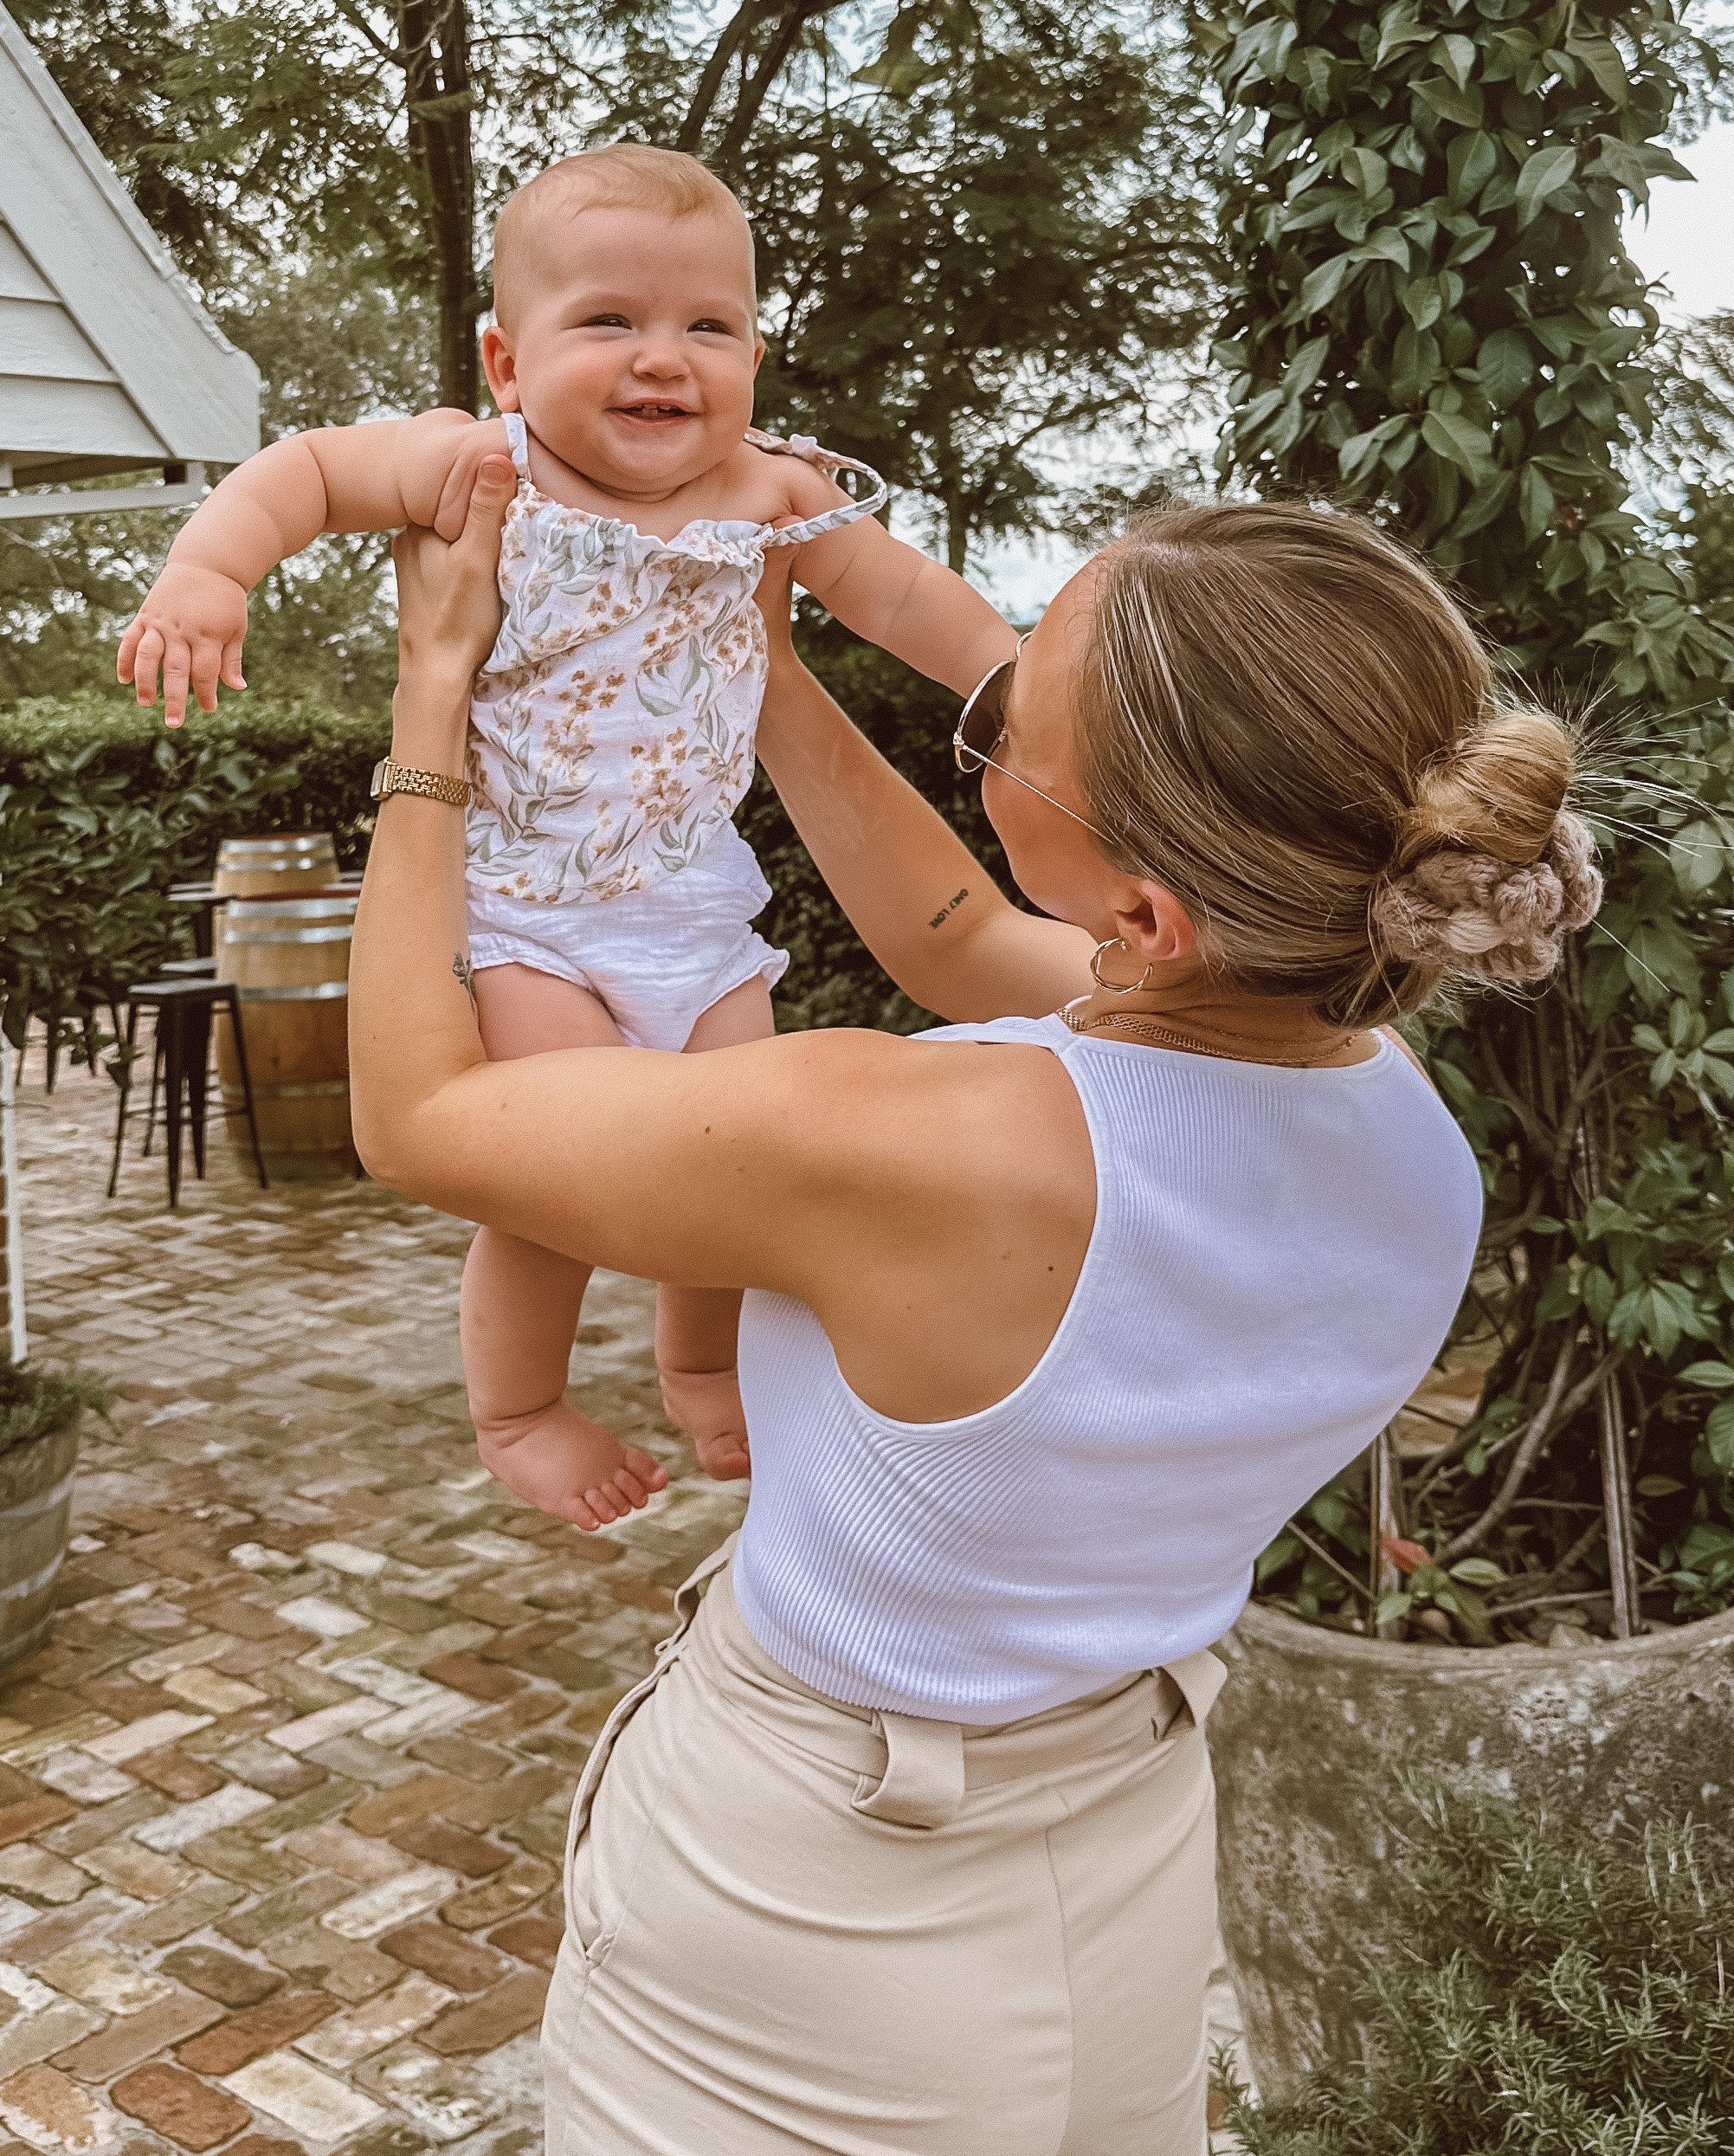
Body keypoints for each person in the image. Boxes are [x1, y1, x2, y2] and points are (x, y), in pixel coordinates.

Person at [349, 457, 1602, 2154]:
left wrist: (432, 697)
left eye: (1008, 734)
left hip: (817, 1908)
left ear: (1149, 916)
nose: (986, 731)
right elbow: (959, 936)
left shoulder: (925, 1150)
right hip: (1127, 1837)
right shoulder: (1407, 1144)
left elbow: (419, 1121)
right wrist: (762, 676)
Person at [115, 145, 1012, 1531]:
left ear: (756, 357)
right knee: (555, 1179)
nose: (664, 359)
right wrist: (207, 571)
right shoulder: (481, 467)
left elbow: (907, 604)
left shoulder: (770, 495)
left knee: (741, 1162)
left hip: (694, 910)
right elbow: (300, 471)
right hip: (530, 908)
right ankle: (520, 1407)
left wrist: (1019, 685)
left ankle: (700, 1366)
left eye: (707, 327)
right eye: (610, 321)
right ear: (508, 358)